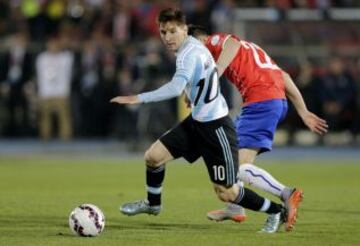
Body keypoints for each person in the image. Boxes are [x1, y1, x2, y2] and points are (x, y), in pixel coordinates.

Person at [111, 8, 295, 233]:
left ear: (184, 29)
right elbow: (202, 77)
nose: (168, 37)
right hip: (196, 121)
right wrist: (195, 91)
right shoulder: (191, 48)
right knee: (153, 157)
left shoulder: (190, 53)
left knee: (227, 192)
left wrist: (137, 98)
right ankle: (153, 204)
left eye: (172, 31)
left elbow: (175, 87)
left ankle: (275, 210)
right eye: (163, 32)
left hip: (216, 128)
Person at [187, 25, 328, 228]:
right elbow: (284, 77)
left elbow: (232, 43)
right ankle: (236, 208)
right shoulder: (252, 50)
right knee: (225, 157)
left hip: (260, 103)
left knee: (239, 166)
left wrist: (215, 72)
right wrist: (303, 111)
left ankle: (287, 193)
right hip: (271, 102)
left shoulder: (215, 42)